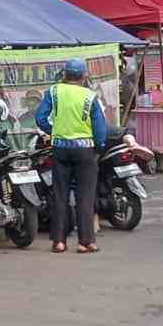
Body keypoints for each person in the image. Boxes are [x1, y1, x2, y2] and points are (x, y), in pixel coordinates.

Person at [34, 58, 110, 254]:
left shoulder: (54, 91)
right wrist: (99, 147)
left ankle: (59, 241)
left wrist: (54, 130)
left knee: (60, 195)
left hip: (60, 149)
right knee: (85, 196)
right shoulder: (90, 96)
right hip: (85, 151)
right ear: (84, 75)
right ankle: (85, 242)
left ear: (65, 74)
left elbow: (40, 117)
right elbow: (100, 128)